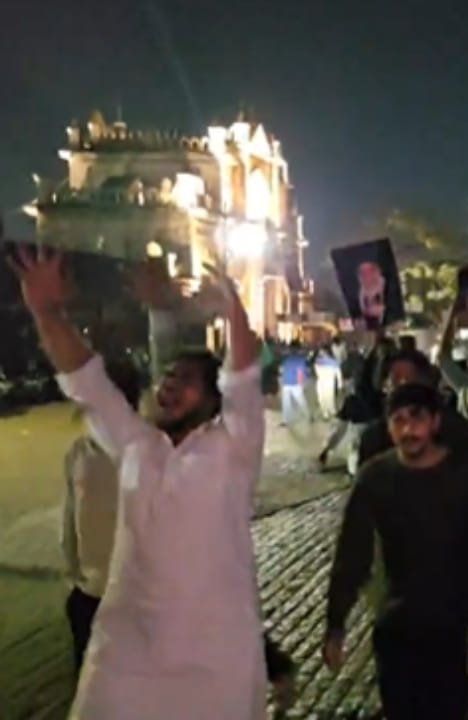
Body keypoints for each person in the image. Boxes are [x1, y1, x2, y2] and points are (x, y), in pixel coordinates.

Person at [10, 246, 268, 719]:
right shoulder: (135, 444)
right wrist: (46, 313)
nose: (169, 384)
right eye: (168, 376)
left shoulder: (234, 448)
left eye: (186, 379)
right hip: (125, 656)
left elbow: (243, 375)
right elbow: (86, 379)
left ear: (213, 401)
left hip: (215, 663)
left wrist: (233, 310)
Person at [324, 383, 468, 719]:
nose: (408, 429)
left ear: (435, 421)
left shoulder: (465, 474)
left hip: (449, 620)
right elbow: (352, 552)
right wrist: (336, 624)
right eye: (399, 420)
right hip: (393, 619)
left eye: (416, 418)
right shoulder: (374, 478)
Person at [279, 342, 310, 425]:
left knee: (286, 402)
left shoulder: (286, 359)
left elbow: (282, 370)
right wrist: (302, 384)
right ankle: (308, 416)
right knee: (301, 401)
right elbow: (300, 373)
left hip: (286, 382)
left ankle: (285, 420)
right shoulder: (301, 359)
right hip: (295, 384)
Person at [313, 344, 342, 419]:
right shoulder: (318, 361)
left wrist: (340, 383)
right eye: (320, 351)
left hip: (329, 381)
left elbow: (338, 373)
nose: (320, 352)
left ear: (327, 351)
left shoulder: (333, 361)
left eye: (322, 351)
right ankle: (325, 412)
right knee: (321, 398)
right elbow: (316, 372)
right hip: (321, 381)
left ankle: (332, 410)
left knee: (329, 396)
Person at [357, 260, 386, 329]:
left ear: (376, 273)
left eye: (366, 274)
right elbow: (363, 310)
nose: (362, 277)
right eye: (361, 274)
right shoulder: (362, 290)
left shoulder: (386, 285)